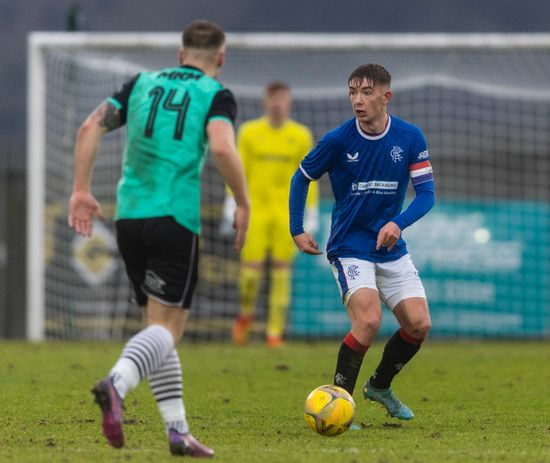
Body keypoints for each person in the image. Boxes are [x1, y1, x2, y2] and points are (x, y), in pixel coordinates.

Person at [68, 20, 249, 456]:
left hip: (129, 218)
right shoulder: (215, 93)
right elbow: (223, 147)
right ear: (220, 60)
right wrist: (242, 201)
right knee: (169, 329)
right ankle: (117, 383)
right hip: (175, 216)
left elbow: (89, 127)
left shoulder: (141, 83)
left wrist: (79, 190)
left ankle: (177, 430)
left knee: (157, 327)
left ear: (179, 54)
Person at [289, 64, 435, 420]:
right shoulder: (339, 139)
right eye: (352, 93)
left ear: (386, 97)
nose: (358, 100)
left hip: (389, 249)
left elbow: (426, 195)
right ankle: (340, 403)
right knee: (368, 321)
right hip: (349, 246)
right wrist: (297, 228)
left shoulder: (409, 137)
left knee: (419, 324)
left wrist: (398, 224)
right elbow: (301, 177)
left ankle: (380, 386)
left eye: (366, 93)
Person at [223, 82, 319, 347]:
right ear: (265, 103)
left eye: (282, 99)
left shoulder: (300, 135)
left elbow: (309, 175)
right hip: (256, 209)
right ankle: (245, 315)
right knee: (251, 273)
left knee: (281, 270)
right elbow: (237, 168)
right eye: (273, 99)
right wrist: (231, 202)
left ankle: (274, 333)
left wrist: (309, 211)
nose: (277, 104)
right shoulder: (249, 132)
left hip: (286, 212)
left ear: (290, 103)